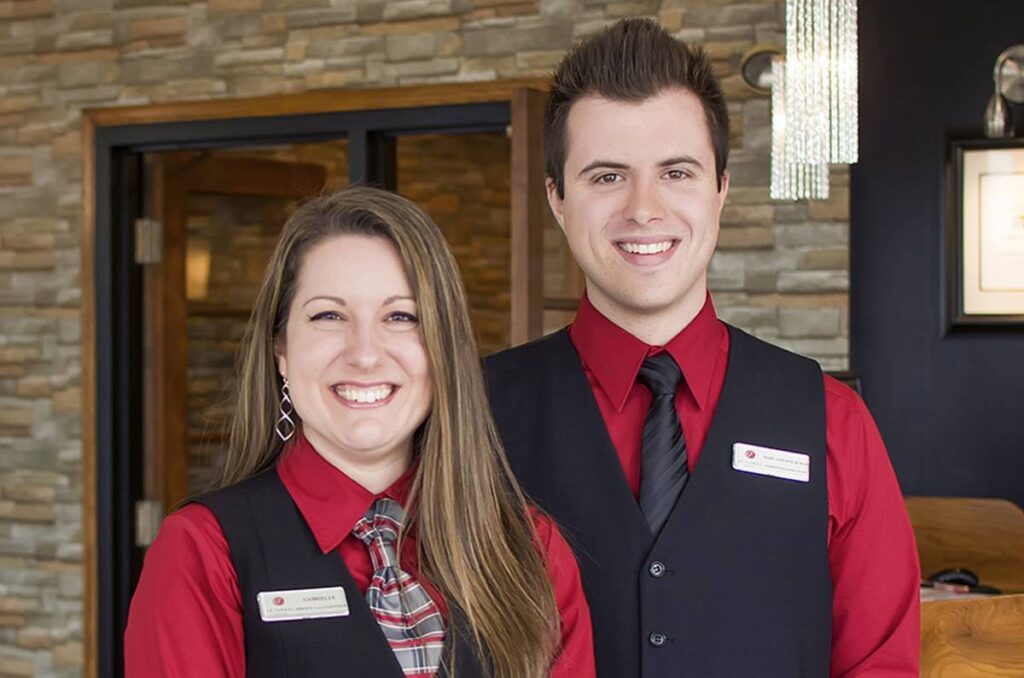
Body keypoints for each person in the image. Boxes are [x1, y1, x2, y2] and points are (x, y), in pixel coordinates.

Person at [483, 18, 920, 678]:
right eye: (607, 177)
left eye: (677, 172)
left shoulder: (832, 423)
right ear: (557, 198)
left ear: (720, 189)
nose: (644, 209)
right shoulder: (473, 416)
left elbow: (880, 666)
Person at [125, 187, 595, 678]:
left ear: (442, 349)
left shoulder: (529, 546)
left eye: (401, 317)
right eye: (329, 316)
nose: (365, 354)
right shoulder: (204, 550)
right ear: (280, 348)